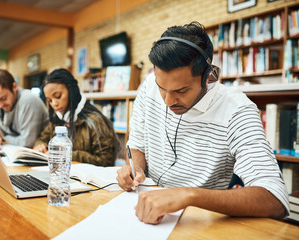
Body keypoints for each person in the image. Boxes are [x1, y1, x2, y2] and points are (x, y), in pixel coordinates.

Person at [116, 22, 289, 224]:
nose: (168, 101)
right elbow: (137, 143)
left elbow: (275, 199)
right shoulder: (148, 87)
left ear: (209, 76)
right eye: (162, 88)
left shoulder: (236, 110)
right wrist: (135, 169)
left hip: (203, 222)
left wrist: (189, 196)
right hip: (146, 210)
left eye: (181, 91)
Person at [33, 68, 119, 167]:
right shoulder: (57, 119)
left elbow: (106, 161)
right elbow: (42, 138)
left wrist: (68, 154)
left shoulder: (95, 121)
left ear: (71, 91)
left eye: (58, 96)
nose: (54, 104)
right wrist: (40, 146)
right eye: (49, 100)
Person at [0, 69, 49, 148]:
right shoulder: (2, 103)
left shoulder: (28, 100)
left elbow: (27, 142)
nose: (0, 105)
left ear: (14, 86)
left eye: (3, 98)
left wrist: (3, 136)